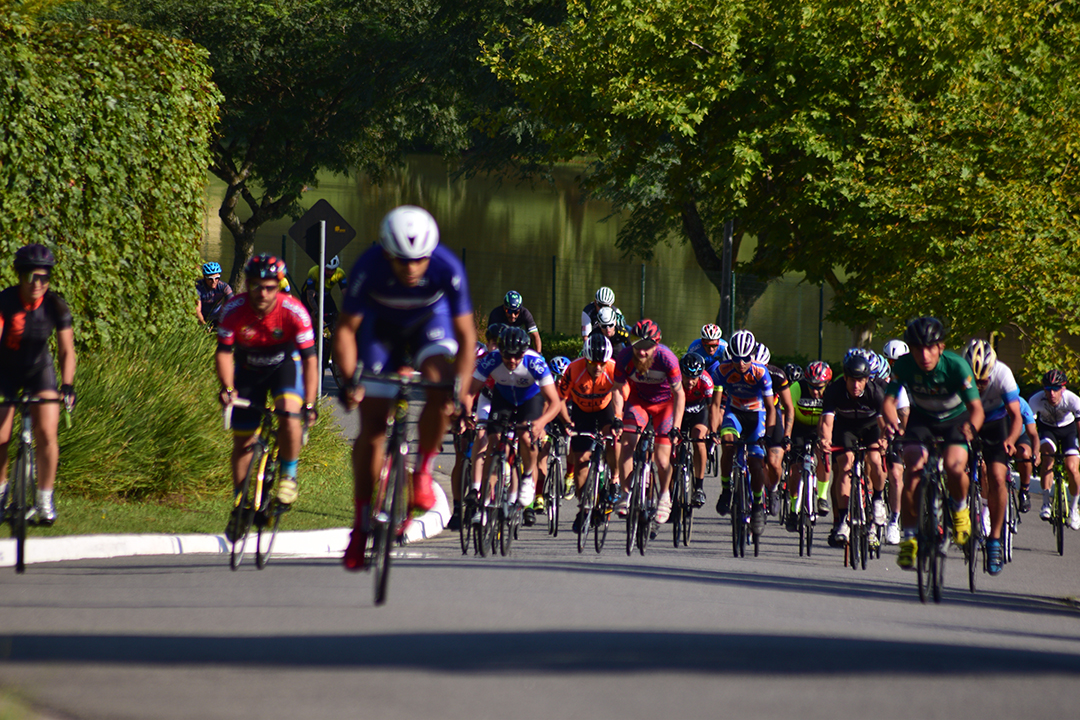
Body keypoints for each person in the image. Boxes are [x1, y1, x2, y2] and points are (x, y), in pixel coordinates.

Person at [333, 205, 476, 570]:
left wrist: (459, 391)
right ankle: (362, 523)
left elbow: (465, 335)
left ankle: (423, 470)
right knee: (373, 429)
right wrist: (349, 380)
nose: (411, 269)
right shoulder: (368, 267)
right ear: (386, 253)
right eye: (402, 261)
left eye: (419, 261)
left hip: (432, 321)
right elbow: (346, 330)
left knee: (438, 383)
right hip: (381, 329)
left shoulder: (447, 268)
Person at [216, 254, 319, 539]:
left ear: (279, 285)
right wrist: (227, 388)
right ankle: (240, 503)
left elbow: (310, 360)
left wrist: (309, 404)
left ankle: (288, 475)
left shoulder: (294, 311)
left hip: (284, 368)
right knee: (243, 440)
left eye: (270, 287)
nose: (263, 293)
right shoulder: (233, 310)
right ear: (247, 285)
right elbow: (224, 353)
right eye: (257, 286)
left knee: (289, 414)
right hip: (248, 371)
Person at [883, 317, 984, 571]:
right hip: (922, 419)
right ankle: (908, 540)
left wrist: (971, 428)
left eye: (930, 348)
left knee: (953, 466)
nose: (924, 355)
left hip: (955, 420)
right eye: (917, 348)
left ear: (941, 347)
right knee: (913, 472)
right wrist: (892, 421)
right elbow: (889, 402)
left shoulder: (957, 367)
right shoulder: (904, 366)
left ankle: (960, 511)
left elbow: (976, 409)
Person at [0, 244, 76, 525]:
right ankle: (0, 494)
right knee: (1, 435)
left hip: (38, 371)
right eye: (32, 277)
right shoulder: (5, 302)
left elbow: (67, 351)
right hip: (5, 372)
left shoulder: (55, 305)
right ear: (20, 276)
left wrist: (67, 386)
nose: (38, 284)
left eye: (45, 278)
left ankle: (44, 499)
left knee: (47, 433)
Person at [468, 326, 563, 519]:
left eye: (516, 356)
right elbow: (470, 391)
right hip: (503, 399)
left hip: (530, 399)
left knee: (526, 436)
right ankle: (484, 503)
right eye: (507, 356)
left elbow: (555, 402)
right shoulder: (491, 359)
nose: (512, 361)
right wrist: (466, 414)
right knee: (493, 442)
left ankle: (528, 476)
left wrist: (541, 422)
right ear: (500, 351)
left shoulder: (535, 363)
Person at [612, 319, 686, 524]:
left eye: (647, 347)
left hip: (665, 406)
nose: (642, 352)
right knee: (626, 443)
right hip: (639, 402)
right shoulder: (625, 357)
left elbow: (679, 394)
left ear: (657, 344)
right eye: (637, 346)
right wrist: (617, 416)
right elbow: (618, 389)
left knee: (662, 460)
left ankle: (664, 496)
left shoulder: (667, 359)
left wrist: (677, 427)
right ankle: (626, 494)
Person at [962, 338, 1023, 575]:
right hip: (967, 420)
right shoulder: (959, 375)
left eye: (983, 381)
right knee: (954, 464)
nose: (978, 386)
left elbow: (1016, 416)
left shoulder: (1003, 374)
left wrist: (1011, 440)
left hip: (996, 423)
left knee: (998, 477)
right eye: (974, 381)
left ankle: (995, 539)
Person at [709, 329, 776, 540]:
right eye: (737, 359)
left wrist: (770, 434)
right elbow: (715, 404)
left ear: (752, 356)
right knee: (728, 445)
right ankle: (727, 489)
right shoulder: (722, 370)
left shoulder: (760, 372)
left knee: (756, 464)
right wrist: (713, 432)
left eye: (746, 359)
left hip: (757, 416)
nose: (741, 364)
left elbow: (771, 408)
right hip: (735, 413)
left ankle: (757, 504)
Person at [818, 353, 887, 548]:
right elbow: (827, 421)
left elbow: (883, 423)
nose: (856, 386)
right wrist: (826, 439)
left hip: (871, 427)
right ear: (845, 378)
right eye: (852, 381)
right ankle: (842, 521)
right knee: (845, 464)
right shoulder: (834, 390)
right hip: (846, 428)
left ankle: (878, 498)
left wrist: (883, 440)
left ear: (867, 380)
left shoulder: (875, 392)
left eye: (860, 381)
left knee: (875, 460)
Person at [559, 335, 626, 532]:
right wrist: (567, 422)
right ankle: (584, 507)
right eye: (592, 363)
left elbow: (620, 393)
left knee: (614, 439)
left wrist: (619, 418)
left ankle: (614, 479)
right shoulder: (573, 369)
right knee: (580, 460)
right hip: (582, 413)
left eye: (601, 363)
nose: (597, 367)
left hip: (606, 410)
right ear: (585, 359)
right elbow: (560, 398)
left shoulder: (613, 368)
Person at [1028, 369, 1080, 527]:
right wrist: (1035, 450)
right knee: (1047, 458)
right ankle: (1045, 503)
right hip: (1047, 429)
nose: (1052, 394)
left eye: (1056, 389)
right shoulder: (1036, 400)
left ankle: (1074, 509)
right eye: (1048, 389)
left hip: (1068, 430)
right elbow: (1031, 427)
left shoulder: (1073, 400)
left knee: (1072, 468)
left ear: (1063, 389)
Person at [784, 361, 830, 532]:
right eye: (811, 387)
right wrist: (786, 437)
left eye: (819, 387)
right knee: (795, 468)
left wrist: (826, 439)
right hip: (799, 428)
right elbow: (786, 412)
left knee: (824, 458)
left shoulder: (830, 393)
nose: (815, 391)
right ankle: (793, 509)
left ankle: (822, 496)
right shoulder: (797, 388)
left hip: (820, 428)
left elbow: (832, 418)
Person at [678, 352, 723, 508]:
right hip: (679, 411)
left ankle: (699, 487)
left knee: (699, 441)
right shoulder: (674, 378)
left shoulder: (706, 381)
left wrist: (713, 431)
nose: (690, 382)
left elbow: (712, 409)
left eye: (694, 378)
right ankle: (671, 487)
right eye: (687, 377)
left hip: (699, 411)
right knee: (673, 444)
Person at [301, 255, 347, 322]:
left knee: (334, 316)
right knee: (314, 316)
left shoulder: (340, 274)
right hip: (309, 296)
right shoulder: (314, 272)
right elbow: (310, 296)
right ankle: (313, 330)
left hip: (325, 294)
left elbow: (345, 292)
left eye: (333, 270)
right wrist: (316, 310)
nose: (330, 273)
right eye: (327, 270)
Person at [195, 262, 233, 327]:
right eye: (210, 279)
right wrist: (204, 325)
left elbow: (232, 306)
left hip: (218, 318)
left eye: (217, 278)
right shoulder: (198, 287)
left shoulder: (224, 287)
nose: (214, 281)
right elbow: (197, 310)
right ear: (204, 277)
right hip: (202, 317)